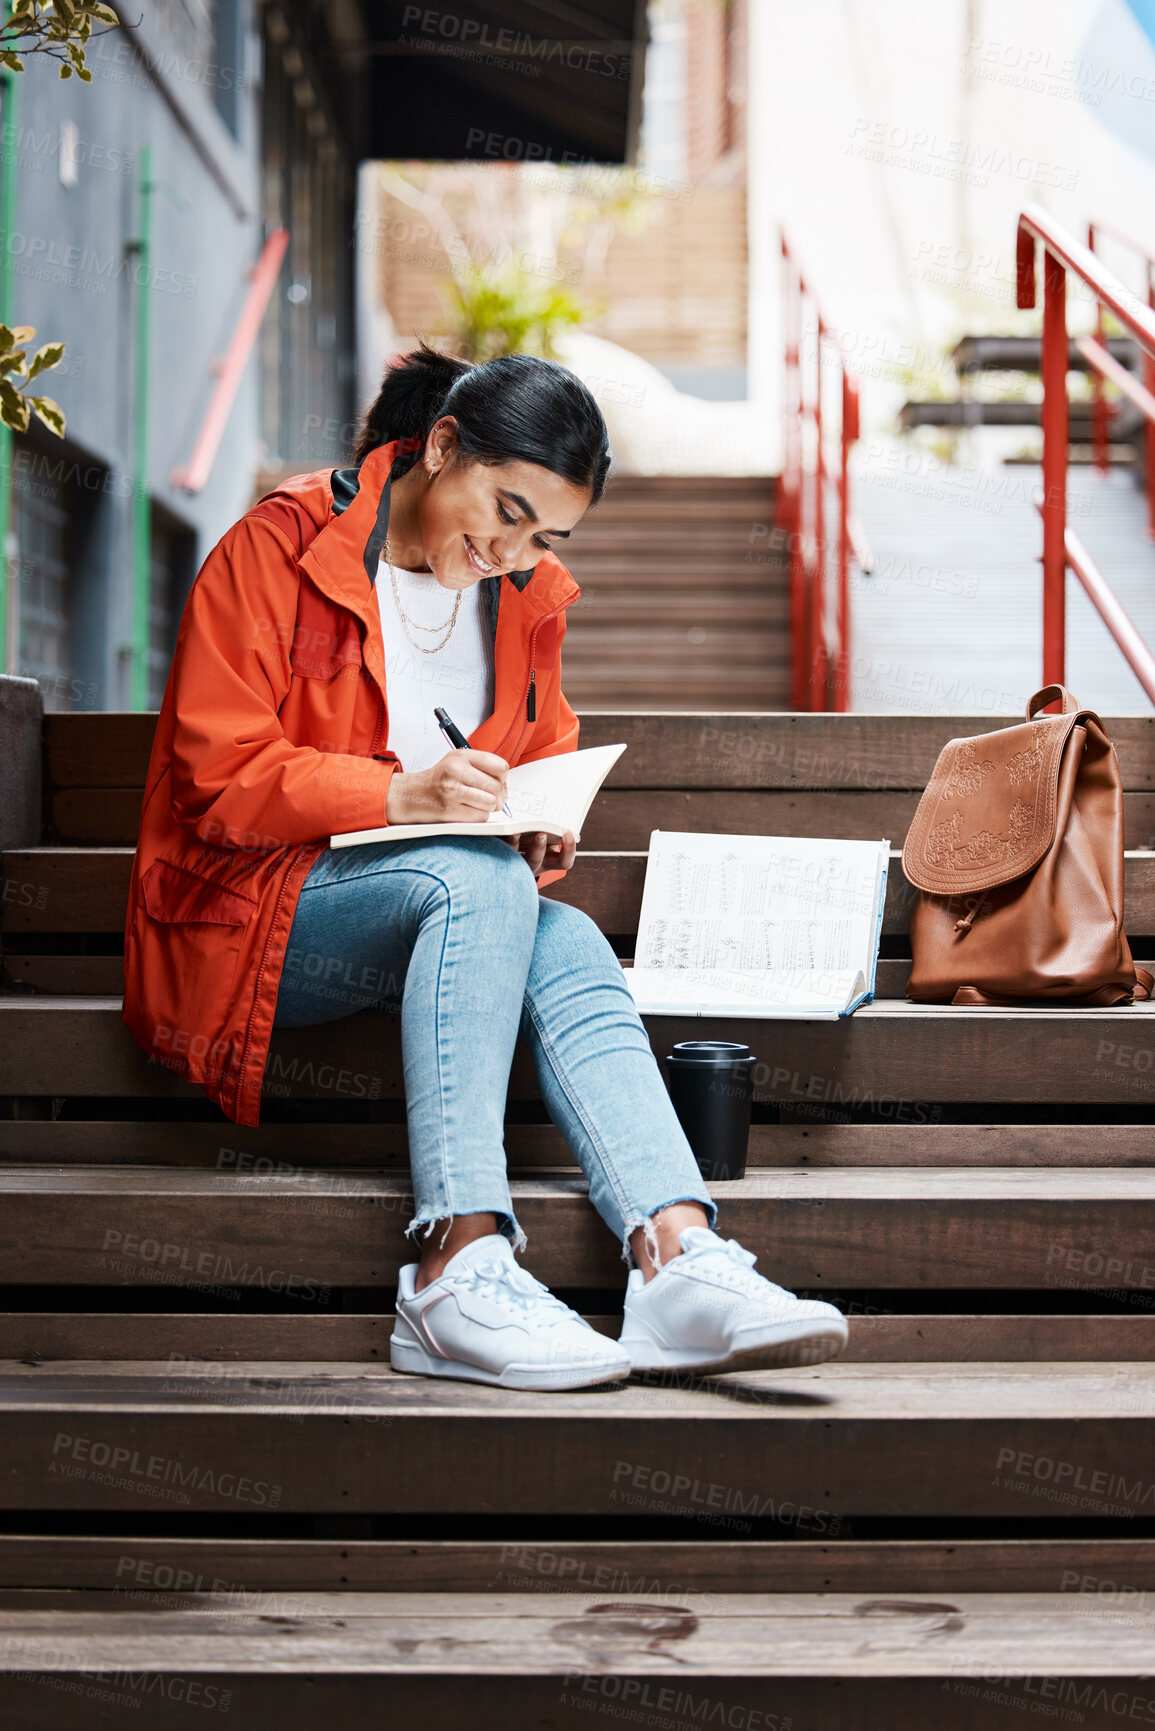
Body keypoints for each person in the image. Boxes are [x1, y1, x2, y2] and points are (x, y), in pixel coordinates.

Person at [123, 343, 848, 1391]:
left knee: (565, 930)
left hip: (429, 921)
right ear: (442, 444)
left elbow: (541, 747)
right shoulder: (278, 547)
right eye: (505, 511)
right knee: (475, 880)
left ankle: (676, 1254)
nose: (513, 552)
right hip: (244, 929)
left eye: (544, 533)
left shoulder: (525, 601)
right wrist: (398, 796)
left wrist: (539, 819)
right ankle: (452, 1268)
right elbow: (215, 776)